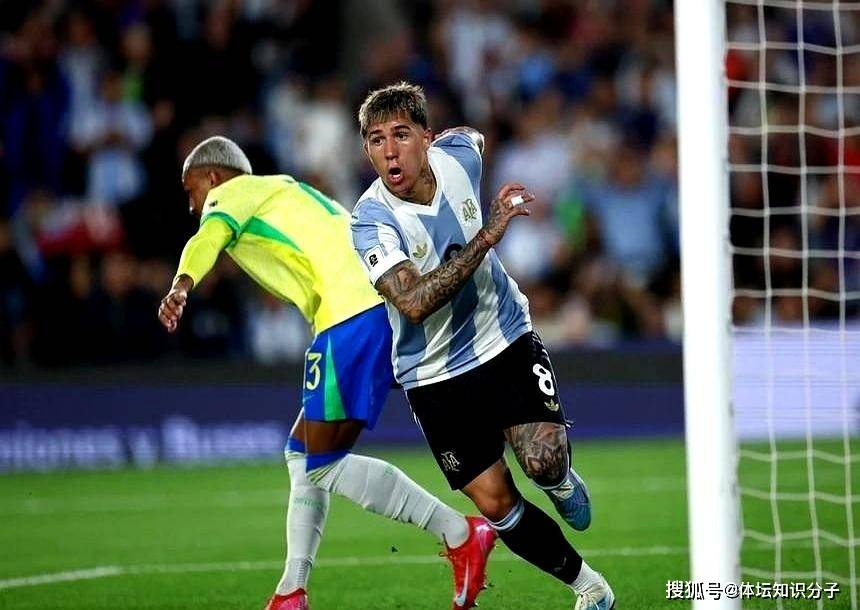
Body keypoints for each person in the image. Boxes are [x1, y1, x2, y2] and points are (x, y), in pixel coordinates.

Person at [157, 136, 497, 610]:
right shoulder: (288, 191)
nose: (193, 205)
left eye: (191, 190)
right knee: (303, 453)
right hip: (378, 303)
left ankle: (459, 532)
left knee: (324, 462)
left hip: (352, 314)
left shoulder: (231, 193)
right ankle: (291, 591)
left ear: (212, 177)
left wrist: (181, 285)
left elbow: (205, 238)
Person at [350, 82, 615, 610]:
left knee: (542, 461)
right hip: (432, 373)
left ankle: (560, 481)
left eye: (402, 135)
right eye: (377, 140)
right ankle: (590, 587)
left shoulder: (458, 156)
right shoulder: (370, 221)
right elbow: (414, 303)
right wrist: (487, 235)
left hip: (502, 336)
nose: (390, 151)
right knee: (495, 503)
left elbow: (472, 137)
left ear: (427, 138)